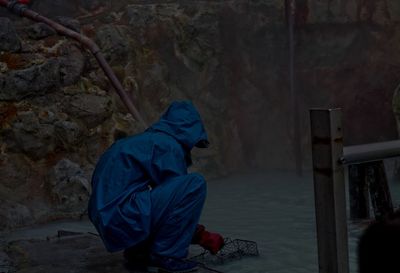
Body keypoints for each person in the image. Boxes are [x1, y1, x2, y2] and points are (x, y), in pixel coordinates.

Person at [88, 101, 224, 273]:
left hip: (107, 219)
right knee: (194, 184)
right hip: (121, 215)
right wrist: (202, 236)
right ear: (188, 130)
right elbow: (177, 206)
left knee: (144, 198)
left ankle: (138, 251)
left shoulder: (141, 142)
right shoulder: (167, 145)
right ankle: (167, 255)